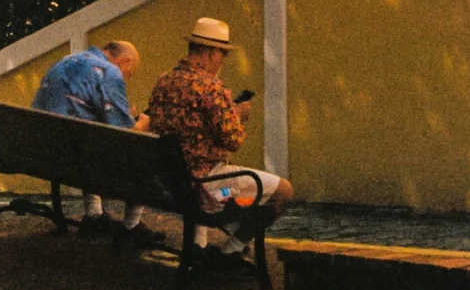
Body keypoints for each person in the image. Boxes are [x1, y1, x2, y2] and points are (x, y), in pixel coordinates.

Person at [148, 17, 293, 263]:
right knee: (284, 192)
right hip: (207, 188)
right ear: (213, 53)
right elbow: (233, 140)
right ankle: (232, 248)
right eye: (223, 54)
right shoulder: (211, 88)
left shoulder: (164, 81)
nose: (223, 60)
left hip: (171, 183)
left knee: (213, 172)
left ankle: (200, 243)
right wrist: (239, 116)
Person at [31, 40, 159, 245]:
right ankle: (131, 225)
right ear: (124, 61)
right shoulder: (110, 72)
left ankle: (94, 215)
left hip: (40, 151)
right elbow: (124, 132)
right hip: (76, 158)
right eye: (130, 73)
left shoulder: (67, 60)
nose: (127, 78)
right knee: (144, 150)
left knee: (88, 141)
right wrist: (144, 123)